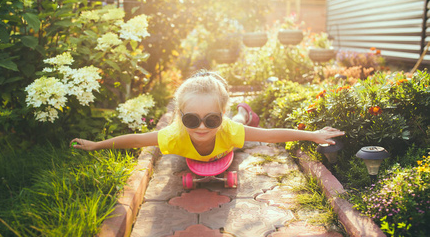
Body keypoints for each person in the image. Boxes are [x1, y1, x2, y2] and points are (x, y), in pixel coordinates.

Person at [70, 70, 344, 162]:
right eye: (191, 120)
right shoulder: (174, 135)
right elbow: (137, 139)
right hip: (216, 141)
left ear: (219, 115)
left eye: (211, 119)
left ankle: (242, 111)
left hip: (229, 140)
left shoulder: (226, 129)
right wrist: (97, 145)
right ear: (180, 116)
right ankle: (240, 111)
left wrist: (314, 135)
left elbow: (272, 135)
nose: (201, 127)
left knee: (239, 126)